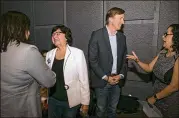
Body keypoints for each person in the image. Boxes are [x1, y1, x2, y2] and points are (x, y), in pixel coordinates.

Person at [0, 11, 56, 117]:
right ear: (18, 29)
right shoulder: (28, 51)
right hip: (24, 110)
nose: (29, 33)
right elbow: (50, 81)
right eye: (26, 28)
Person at [127, 24, 179, 118]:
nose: (163, 37)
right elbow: (149, 68)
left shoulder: (177, 58)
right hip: (157, 97)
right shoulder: (162, 52)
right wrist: (137, 61)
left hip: (171, 101)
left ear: (175, 37)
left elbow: (174, 86)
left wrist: (155, 98)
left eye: (166, 34)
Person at [88, 7, 128, 118]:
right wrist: (106, 77)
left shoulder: (122, 37)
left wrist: (120, 75)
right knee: (100, 110)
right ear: (111, 19)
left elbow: (124, 60)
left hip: (117, 81)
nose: (123, 22)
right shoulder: (97, 35)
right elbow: (92, 60)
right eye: (120, 18)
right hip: (102, 82)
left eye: (123, 19)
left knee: (113, 109)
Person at [45, 24, 90, 118]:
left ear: (66, 37)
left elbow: (84, 79)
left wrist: (85, 102)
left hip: (70, 101)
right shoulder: (49, 54)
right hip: (53, 99)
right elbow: (47, 78)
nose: (54, 36)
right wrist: (44, 97)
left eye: (58, 33)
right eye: (53, 34)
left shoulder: (77, 53)